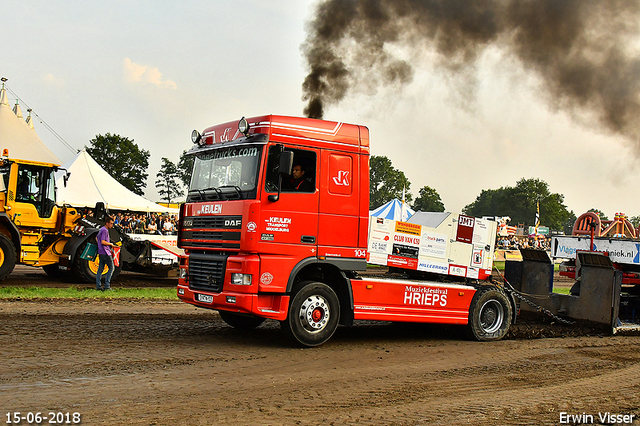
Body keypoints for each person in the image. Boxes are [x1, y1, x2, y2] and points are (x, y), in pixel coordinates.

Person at [96, 216, 116, 291]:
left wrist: (99, 246)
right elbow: (103, 241)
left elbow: (97, 238)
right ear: (107, 223)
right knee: (111, 268)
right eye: (110, 223)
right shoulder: (105, 230)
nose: (112, 225)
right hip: (106, 252)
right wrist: (110, 244)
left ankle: (98, 286)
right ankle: (107, 286)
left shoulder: (101, 229)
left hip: (101, 251)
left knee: (100, 269)